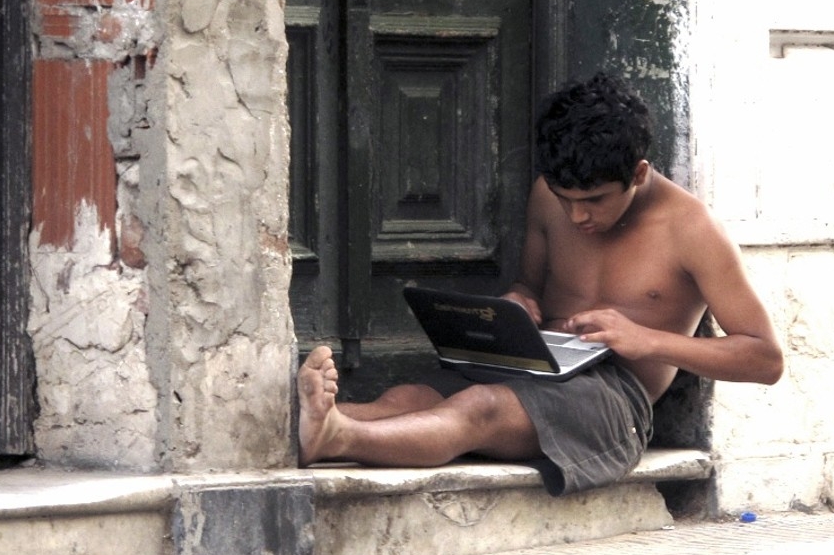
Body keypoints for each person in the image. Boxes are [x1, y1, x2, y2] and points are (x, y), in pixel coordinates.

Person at [297, 71, 784, 496]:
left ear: (638, 174)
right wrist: (519, 300)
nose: (576, 216)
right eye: (563, 196)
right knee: (406, 399)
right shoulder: (547, 198)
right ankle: (312, 429)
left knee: (479, 408)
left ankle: (338, 437)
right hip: (532, 366)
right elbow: (529, 283)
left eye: (594, 200)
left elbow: (765, 359)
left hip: (614, 399)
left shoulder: (692, 230)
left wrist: (646, 340)